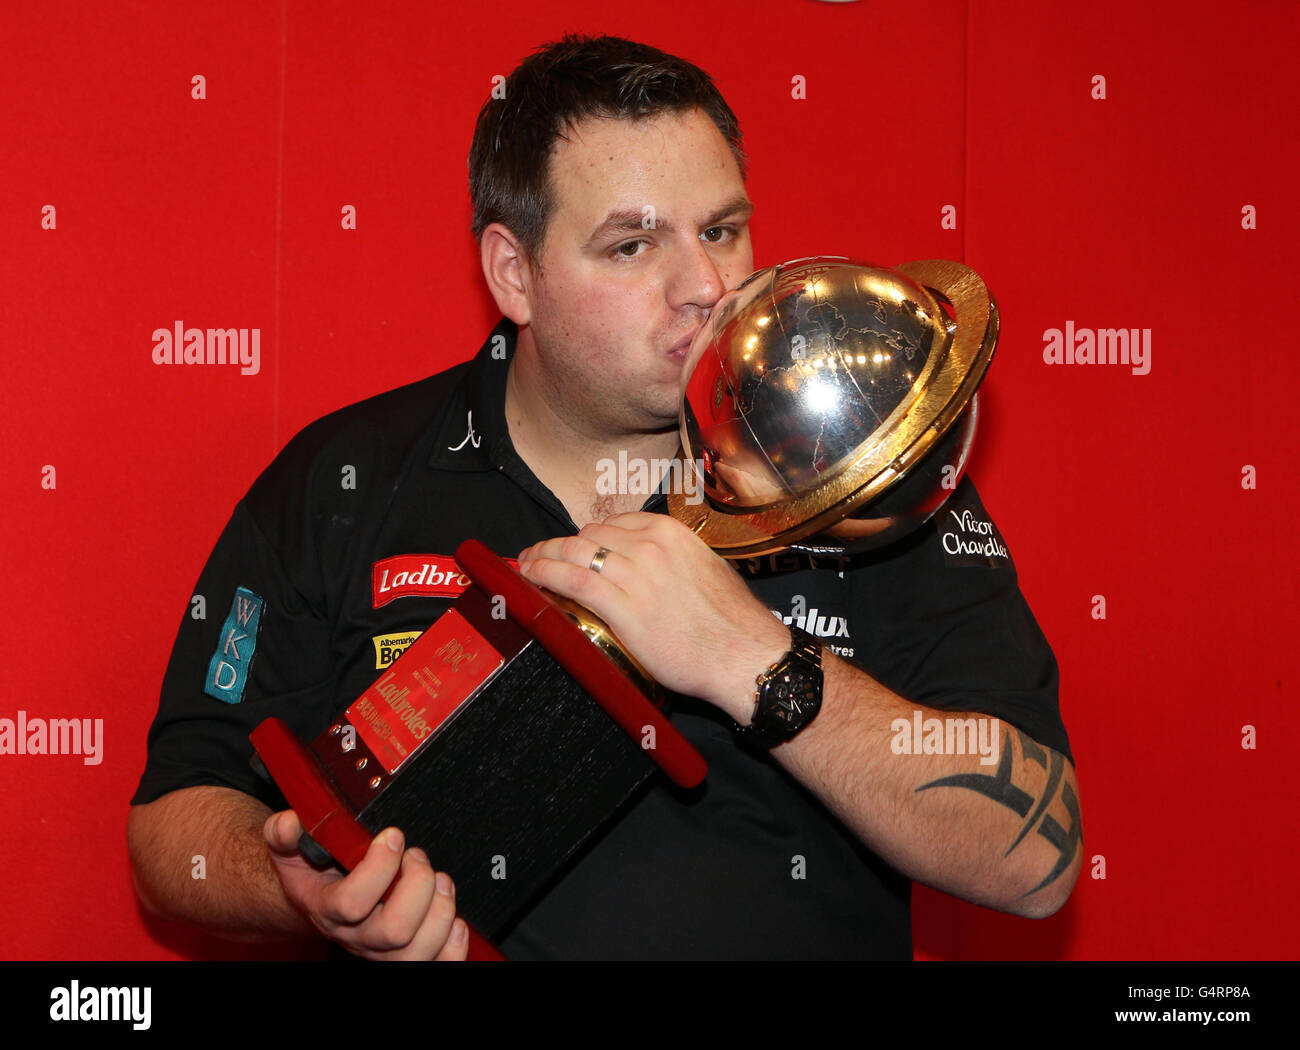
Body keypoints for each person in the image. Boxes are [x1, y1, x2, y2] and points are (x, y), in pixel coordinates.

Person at [127, 33, 1081, 961]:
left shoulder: (863, 464)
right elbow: (174, 827)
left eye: (722, 229)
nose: (706, 284)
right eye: (631, 246)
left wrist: (754, 661)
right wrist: (309, 894)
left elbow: (1039, 861)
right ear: (515, 274)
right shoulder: (343, 481)